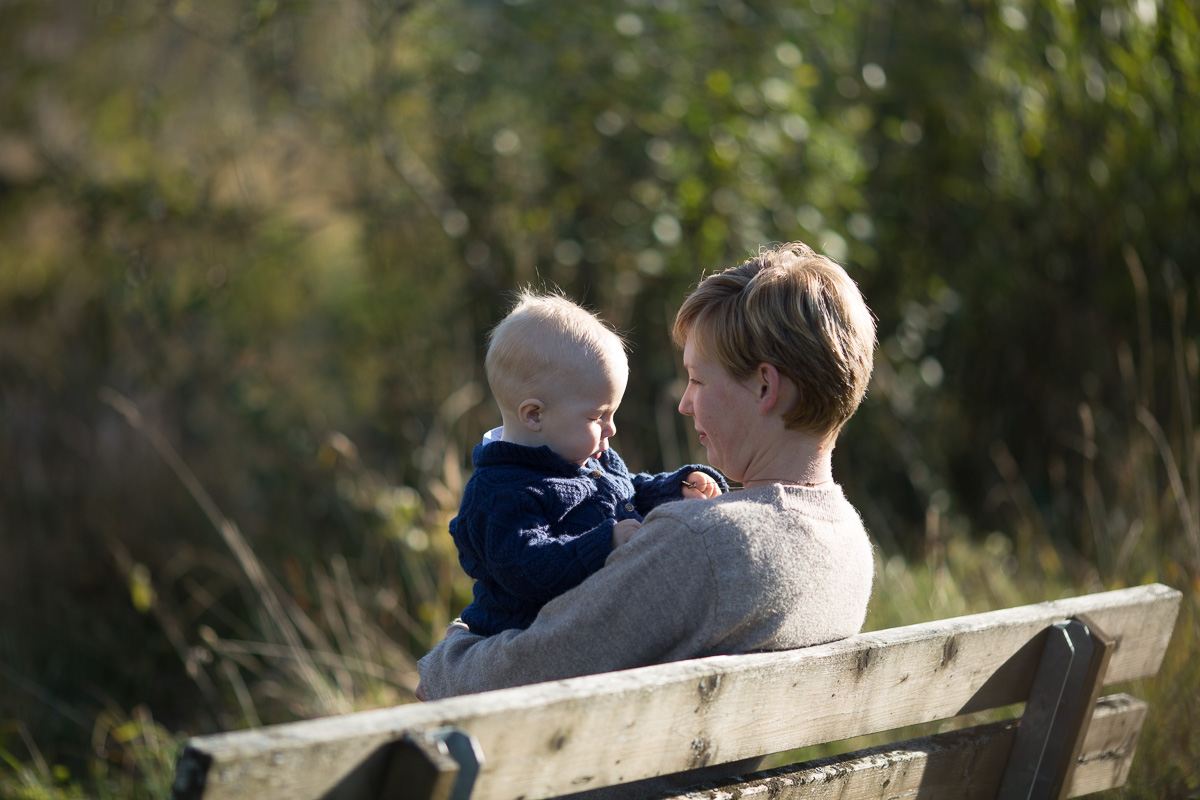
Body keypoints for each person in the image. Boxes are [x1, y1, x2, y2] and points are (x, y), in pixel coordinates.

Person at [418, 242, 876, 699]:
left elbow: (526, 671)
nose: (685, 403)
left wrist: (447, 657)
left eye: (698, 380)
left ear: (764, 387)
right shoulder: (850, 544)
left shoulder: (700, 543)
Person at [450, 291, 726, 637]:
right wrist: (606, 542)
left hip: (591, 626)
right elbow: (528, 568)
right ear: (534, 415)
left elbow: (629, 491)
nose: (611, 429)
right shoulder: (500, 493)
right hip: (528, 642)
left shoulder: (589, 456)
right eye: (598, 416)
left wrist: (677, 488)